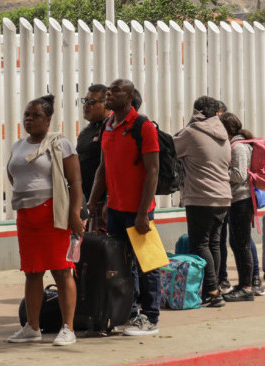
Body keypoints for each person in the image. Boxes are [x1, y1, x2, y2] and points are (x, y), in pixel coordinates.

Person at [5, 95, 84, 346]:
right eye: (27, 114)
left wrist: (74, 214)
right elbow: (13, 174)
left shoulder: (60, 144)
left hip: (53, 215)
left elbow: (76, 182)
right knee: (32, 272)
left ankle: (68, 328)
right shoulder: (19, 145)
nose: (29, 119)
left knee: (62, 271)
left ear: (48, 119)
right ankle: (32, 327)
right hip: (26, 216)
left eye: (35, 115)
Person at [87, 79, 162, 336]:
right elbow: (103, 169)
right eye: (109, 90)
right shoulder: (108, 126)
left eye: (116, 90)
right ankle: (128, 313)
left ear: (129, 97)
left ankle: (150, 317)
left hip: (139, 210)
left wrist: (143, 212)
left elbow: (153, 171)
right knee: (119, 265)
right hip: (116, 209)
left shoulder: (143, 127)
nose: (109, 93)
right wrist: (94, 202)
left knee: (147, 263)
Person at [172, 96, 231, 306]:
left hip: (201, 196)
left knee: (200, 244)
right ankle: (213, 290)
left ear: (197, 112)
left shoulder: (192, 131)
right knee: (214, 243)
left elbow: (171, 147)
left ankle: (213, 292)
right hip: (223, 196)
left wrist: (190, 122)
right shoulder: (223, 134)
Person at [220, 113, 259, 301]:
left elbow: (239, 175)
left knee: (241, 244)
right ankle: (245, 283)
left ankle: (247, 286)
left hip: (241, 200)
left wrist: (218, 169)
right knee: (236, 243)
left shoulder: (238, 147)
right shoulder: (237, 144)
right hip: (238, 200)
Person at [77, 84, 110, 204]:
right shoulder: (85, 132)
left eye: (91, 101)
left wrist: (108, 200)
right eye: (85, 100)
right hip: (86, 200)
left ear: (106, 105)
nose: (86, 105)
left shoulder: (112, 129)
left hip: (105, 201)